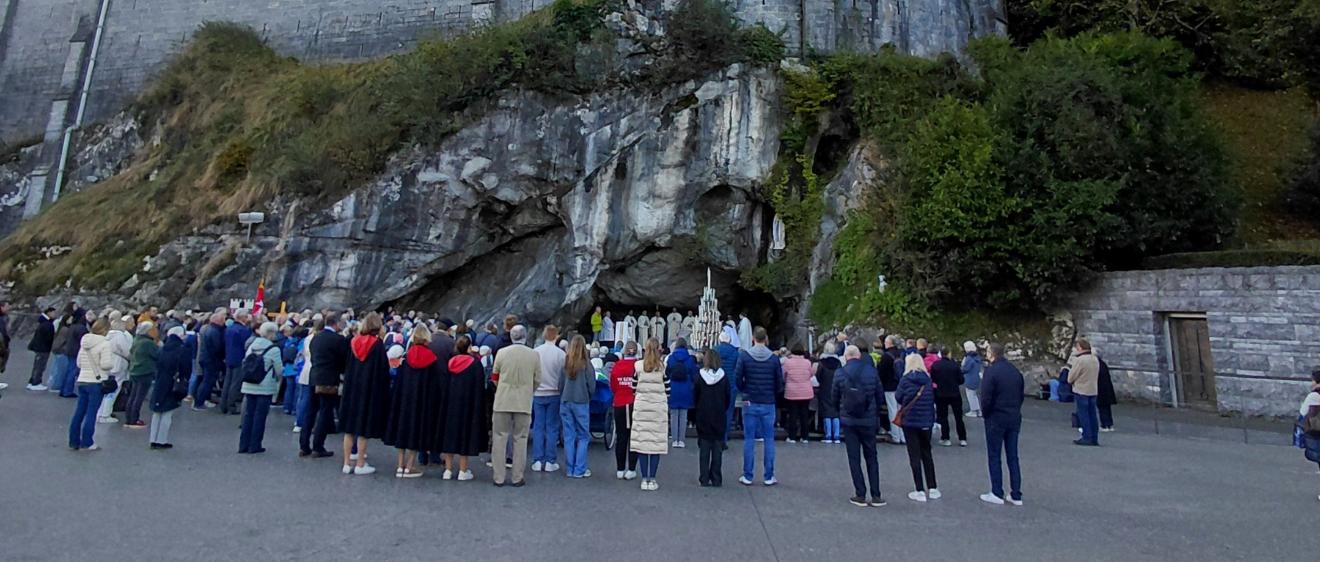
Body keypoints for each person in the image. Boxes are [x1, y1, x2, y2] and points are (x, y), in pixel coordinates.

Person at [339, 312, 392, 475]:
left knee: (349, 429)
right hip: (369, 389)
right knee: (363, 429)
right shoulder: (377, 345)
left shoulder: (353, 342)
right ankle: (361, 463)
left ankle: (347, 463)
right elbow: (383, 370)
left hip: (352, 388)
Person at [833, 345, 886, 507]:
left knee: (854, 458)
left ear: (846, 357)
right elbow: (880, 396)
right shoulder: (871, 372)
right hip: (868, 420)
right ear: (859, 356)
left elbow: (834, 397)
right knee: (872, 457)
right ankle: (876, 495)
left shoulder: (840, 373)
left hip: (849, 420)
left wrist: (841, 411)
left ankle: (860, 494)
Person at [385, 324, 439, 478]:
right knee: (417, 430)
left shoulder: (407, 356)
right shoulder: (431, 358)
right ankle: (410, 466)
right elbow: (434, 384)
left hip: (405, 398)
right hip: (421, 399)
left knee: (402, 428)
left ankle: (400, 465)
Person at [490, 325, 541, 487]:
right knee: (521, 439)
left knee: (499, 437)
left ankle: (498, 477)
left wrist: (501, 388)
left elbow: (494, 376)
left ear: (511, 336)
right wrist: (528, 391)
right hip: (523, 401)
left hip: (503, 400)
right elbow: (537, 379)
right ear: (525, 336)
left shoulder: (501, 353)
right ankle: (517, 477)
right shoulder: (533, 355)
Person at [736, 327, 783, 486]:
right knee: (769, 439)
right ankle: (769, 476)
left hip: (750, 401)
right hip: (768, 401)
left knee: (749, 438)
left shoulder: (745, 356)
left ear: (753, 339)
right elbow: (779, 382)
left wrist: (745, 391)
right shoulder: (773, 359)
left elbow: (738, 378)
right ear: (766, 338)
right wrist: (772, 394)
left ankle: (748, 475)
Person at [979, 343, 1025, 506]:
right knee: (1013, 456)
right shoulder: (1015, 372)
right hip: (1013, 416)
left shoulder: (991, 372)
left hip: (996, 417)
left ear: (991, 354)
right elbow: (1021, 395)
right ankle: (1016, 493)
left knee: (994, 455)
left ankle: (997, 491)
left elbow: (986, 397)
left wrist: (986, 414)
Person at [439, 335, 488, 481]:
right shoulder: (475, 364)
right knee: (465, 436)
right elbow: (480, 387)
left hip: (450, 404)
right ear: (468, 347)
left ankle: (447, 470)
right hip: (468, 404)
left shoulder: (450, 363)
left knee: (449, 435)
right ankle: (463, 470)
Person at [302, 313, 349, 458]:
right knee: (325, 411)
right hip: (329, 378)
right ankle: (318, 446)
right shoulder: (338, 340)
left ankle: (304, 445)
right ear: (336, 323)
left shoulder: (316, 337)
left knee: (310, 411)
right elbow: (343, 360)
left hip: (314, 375)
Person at [896, 354, 938, 502]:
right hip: (926, 420)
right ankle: (932, 487)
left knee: (914, 455)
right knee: (927, 454)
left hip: (910, 421)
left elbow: (898, 397)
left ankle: (919, 489)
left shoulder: (905, 380)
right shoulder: (927, 380)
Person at [630, 338, 670, 491]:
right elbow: (668, 389)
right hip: (658, 409)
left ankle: (643, 479)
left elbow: (633, 387)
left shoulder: (638, 366)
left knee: (642, 443)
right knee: (655, 445)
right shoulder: (663, 367)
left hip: (642, 408)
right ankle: (652, 478)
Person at [68, 318, 113, 451]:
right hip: (96, 381)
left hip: (82, 380)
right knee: (92, 413)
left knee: (79, 412)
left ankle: (73, 440)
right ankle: (87, 442)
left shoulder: (85, 342)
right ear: (105, 330)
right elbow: (106, 365)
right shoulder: (105, 344)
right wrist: (112, 365)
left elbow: (79, 363)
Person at [238, 322, 282, 454]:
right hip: (265, 386)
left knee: (248, 415)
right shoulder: (274, 349)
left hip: (249, 384)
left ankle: (243, 445)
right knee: (260, 416)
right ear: (271, 333)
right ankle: (255, 445)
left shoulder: (252, 345)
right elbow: (279, 370)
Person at [693, 347, 732, 487]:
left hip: (703, 414)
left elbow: (695, 395)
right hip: (719, 414)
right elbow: (728, 397)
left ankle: (704, 477)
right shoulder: (723, 376)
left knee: (704, 448)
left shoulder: (699, 376)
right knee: (717, 448)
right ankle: (716, 477)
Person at [560, 335, 596, 478]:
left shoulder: (566, 362)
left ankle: (569, 469)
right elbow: (592, 385)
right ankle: (579, 469)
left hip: (566, 400)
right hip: (581, 401)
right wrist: (588, 396)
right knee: (583, 436)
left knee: (569, 436)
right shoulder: (586, 364)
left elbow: (560, 384)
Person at [531, 325, 565, 472]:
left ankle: (538, 460)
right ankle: (551, 461)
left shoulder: (535, 352)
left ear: (544, 336)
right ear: (556, 336)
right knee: (552, 428)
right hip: (554, 393)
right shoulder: (561, 354)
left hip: (538, 393)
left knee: (538, 427)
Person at [149, 326, 190, 449]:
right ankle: (162, 439)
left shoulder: (162, 349)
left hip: (160, 382)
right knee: (167, 412)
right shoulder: (182, 350)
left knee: (157, 411)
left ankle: (153, 438)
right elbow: (186, 368)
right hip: (172, 382)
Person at [609, 341, 640, 479]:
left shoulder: (617, 365)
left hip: (620, 403)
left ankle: (620, 468)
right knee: (634, 437)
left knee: (621, 437)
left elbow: (613, 385)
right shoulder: (638, 366)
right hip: (635, 403)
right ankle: (632, 468)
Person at [124, 321, 161, 428]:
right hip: (145, 370)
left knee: (133, 395)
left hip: (134, 370)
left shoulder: (136, 339)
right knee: (139, 397)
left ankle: (129, 418)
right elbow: (158, 355)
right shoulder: (148, 343)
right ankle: (134, 419)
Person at [929, 345, 967, 447]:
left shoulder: (936, 365)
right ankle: (962, 438)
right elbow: (961, 380)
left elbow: (933, 379)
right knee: (958, 417)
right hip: (955, 393)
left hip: (941, 393)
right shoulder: (954, 365)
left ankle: (946, 438)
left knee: (943, 417)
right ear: (949, 353)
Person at [98, 315, 133, 424]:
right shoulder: (120, 336)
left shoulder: (108, 335)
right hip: (118, 364)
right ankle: (105, 414)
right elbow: (126, 351)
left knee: (106, 388)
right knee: (114, 390)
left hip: (108, 362)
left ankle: (100, 412)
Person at [1068, 339, 1101, 446]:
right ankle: (1094, 437)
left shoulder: (1080, 360)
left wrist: (1071, 380)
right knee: (1092, 415)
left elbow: (1071, 377)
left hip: (1081, 389)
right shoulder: (1094, 359)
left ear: (1080, 347)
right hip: (1093, 389)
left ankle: (1086, 437)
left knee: (1084, 415)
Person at [665, 337, 697, 448]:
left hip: (673, 387)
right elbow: (694, 375)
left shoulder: (671, 358)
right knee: (683, 415)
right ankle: (681, 440)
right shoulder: (690, 359)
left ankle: (674, 439)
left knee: (673, 414)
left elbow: (667, 373)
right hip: (686, 388)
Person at [221, 310, 253, 415]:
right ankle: (231, 406)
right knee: (235, 384)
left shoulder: (229, 329)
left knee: (227, 382)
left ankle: (223, 405)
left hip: (229, 357)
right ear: (242, 318)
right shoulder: (243, 330)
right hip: (239, 358)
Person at [194, 310, 227, 410]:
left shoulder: (207, 329)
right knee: (207, 381)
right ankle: (199, 402)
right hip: (211, 360)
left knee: (205, 380)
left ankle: (201, 400)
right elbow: (217, 347)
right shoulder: (215, 332)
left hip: (205, 357)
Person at [782, 348, 813, 443]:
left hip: (792, 391)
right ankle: (805, 437)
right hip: (805, 391)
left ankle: (792, 436)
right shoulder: (807, 362)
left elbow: (784, 375)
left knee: (793, 415)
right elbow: (810, 374)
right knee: (804, 415)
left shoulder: (788, 362)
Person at [715, 333, 741, 443]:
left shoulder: (715, 350)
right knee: (728, 411)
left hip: (717, 383)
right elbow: (738, 369)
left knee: (717, 410)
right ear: (729, 340)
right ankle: (724, 437)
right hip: (731, 384)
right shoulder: (735, 352)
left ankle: (717, 436)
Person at [60, 310, 91, 398]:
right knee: (73, 372)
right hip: (76, 351)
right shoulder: (81, 328)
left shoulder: (73, 326)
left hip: (70, 350)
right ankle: (68, 391)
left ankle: (64, 389)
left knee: (69, 370)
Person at [25, 306, 56, 391]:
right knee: (40, 366)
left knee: (37, 365)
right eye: (53, 312)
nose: (54, 314)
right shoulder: (47, 324)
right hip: (43, 348)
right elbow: (49, 337)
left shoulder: (43, 322)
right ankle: (36, 382)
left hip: (40, 347)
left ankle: (32, 382)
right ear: (48, 313)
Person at [881, 336, 904, 444]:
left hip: (889, 386)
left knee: (892, 411)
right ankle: (903, 436)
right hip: (900, 385)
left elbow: (881, 372)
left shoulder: (886, 356)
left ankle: (895, 436)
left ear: (890, 343)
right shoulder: (901, 354)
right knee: (901, 410)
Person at [815, 352, 842, 444]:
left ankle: (828, 435)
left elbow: (818, 376)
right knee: (836, 412)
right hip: (836, 387)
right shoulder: (838, 363)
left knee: (826, 412)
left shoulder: (822, 363)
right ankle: (837, 435)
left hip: (825, 388)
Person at [47, 314, 74, 394]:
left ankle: (54, 384)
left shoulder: (62, 328)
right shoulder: (66, 330)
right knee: (60, 370)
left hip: (59, 351)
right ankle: (56, 385)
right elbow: (62, 341)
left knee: (56, 369)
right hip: (62, 351)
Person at [1096, 347, 1117, 432]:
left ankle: (1105, 425)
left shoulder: (1098, 365)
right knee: (1106, 408)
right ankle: (1109, 424)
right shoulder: (1103, 364)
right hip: (1107, 389)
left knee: (1103, 408)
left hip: (1101, 390)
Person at [961, 341, 983, 418]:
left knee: (970, 395)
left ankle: (973, 411)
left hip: (970, 379)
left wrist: (962, 365)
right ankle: (979, 411)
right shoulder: (977, 357)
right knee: (975, 395)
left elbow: (964, 369)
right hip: (977, 378)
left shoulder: (968, 358)